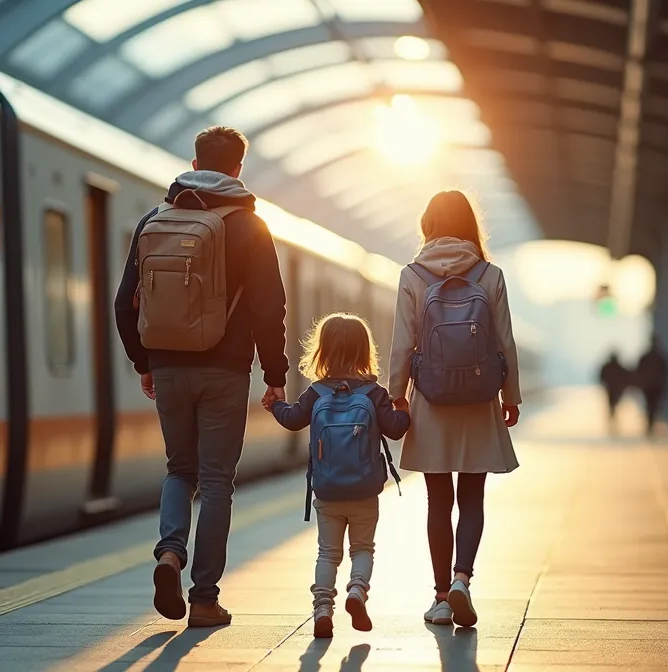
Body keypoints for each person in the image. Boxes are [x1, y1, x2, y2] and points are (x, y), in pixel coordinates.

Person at [114, 126, 289, 627]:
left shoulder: (155, 219)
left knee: (179, 470)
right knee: (216, 482)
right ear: (237, 169)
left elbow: (126, 304)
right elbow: (268, 306)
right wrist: (274, 374)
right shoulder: (249, 226)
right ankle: (205, 599)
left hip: (167, 366)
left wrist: (144, 362)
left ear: (193, 162)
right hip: (225, 369)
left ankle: (170, 552)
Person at [388, 190, 521, 628]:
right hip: (480, 399)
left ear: (428, 224)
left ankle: (442, 596)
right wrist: (511, 396)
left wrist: (397, 394)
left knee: (438, 501)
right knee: (473, 497)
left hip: (431, 399)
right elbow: (504, 341)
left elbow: (403, 343)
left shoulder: (413, 274)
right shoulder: (490, 274)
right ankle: (464, 577)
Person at [269, 313, 411, 637]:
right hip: (365, 491)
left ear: (323, 351)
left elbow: (292, 419)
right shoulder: (374, 393)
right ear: (365, 351)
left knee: (327, 553)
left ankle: (322, 608)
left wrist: (274, 405)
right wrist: (404, 408)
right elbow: (397, 428)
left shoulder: (316, 392)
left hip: (327, 491)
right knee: (362, 549)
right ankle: (357, 592)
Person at [635, 336, 668, 437]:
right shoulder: (661, 357)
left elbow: (638, 370)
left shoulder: (645, 357)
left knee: (650, 405)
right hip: (656, 385)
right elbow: (666, 372)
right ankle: (651, 423)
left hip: (648, 385)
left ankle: (650, 423)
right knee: (654, 405)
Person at [599, 352, 628, 429]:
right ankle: (612, 418)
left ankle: (612, 418)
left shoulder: (611, 367)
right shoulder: (612, 367)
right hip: (612, 389)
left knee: (613, 404)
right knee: (612, 404)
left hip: (614, 389)